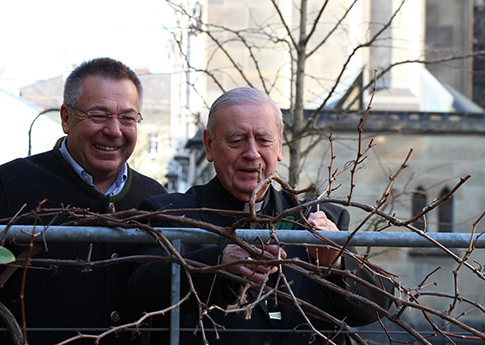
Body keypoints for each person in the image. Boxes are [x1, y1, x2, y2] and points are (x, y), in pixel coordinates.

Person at [131, 87, 394, 345]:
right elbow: (139, 289)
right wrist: (219, 264)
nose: (252, 153)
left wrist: (336, 264)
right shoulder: (168, 214)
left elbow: (378, 306)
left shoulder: (320, 218)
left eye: (264, 140)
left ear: (279, 147)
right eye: (236, 140)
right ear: (209, 145)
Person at [0, 57, 167, 344]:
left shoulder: (155, 199)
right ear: (66, 118)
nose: (114, 131)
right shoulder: (5, 187)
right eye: (99, 115)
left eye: (127, 117)